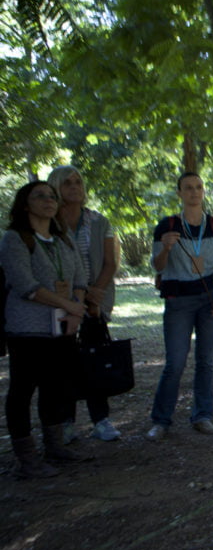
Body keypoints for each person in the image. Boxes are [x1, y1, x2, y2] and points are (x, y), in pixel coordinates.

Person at [1, 181, 87, 477]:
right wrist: (70, 304)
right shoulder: (15, 239)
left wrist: (76, 311)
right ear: (25, 205)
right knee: (23, 390)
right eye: (40, 196)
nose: (48, 201)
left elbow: (79, 278)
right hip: (27, 329)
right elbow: (26, 286)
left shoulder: (64, 240)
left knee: (56, 387)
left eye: (52, 196)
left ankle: (55, 446)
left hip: (62, 328)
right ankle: (26, 459)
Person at [147, 172, 213, 441]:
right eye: (188, 188)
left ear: (204, 191)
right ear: (180, 193)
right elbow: (157, 266)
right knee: (175, 362)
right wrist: (165, 249)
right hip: (178, 302)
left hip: (209, 299)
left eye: (198, 187)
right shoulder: (167, 225)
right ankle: (161, 421)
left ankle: (203, 416)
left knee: (205, 361)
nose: (194, 192)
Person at [47, 166, 121, 443]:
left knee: (96, 359)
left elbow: (110, 262)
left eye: (78, 182)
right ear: (56, 186)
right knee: (63, 364)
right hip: (58, 302)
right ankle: (65, 422)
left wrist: (94, 293)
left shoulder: (99, 221)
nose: (74, 187)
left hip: (94, 303)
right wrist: (70, 298)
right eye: (67, 183)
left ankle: (101, 420)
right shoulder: (48, 222)